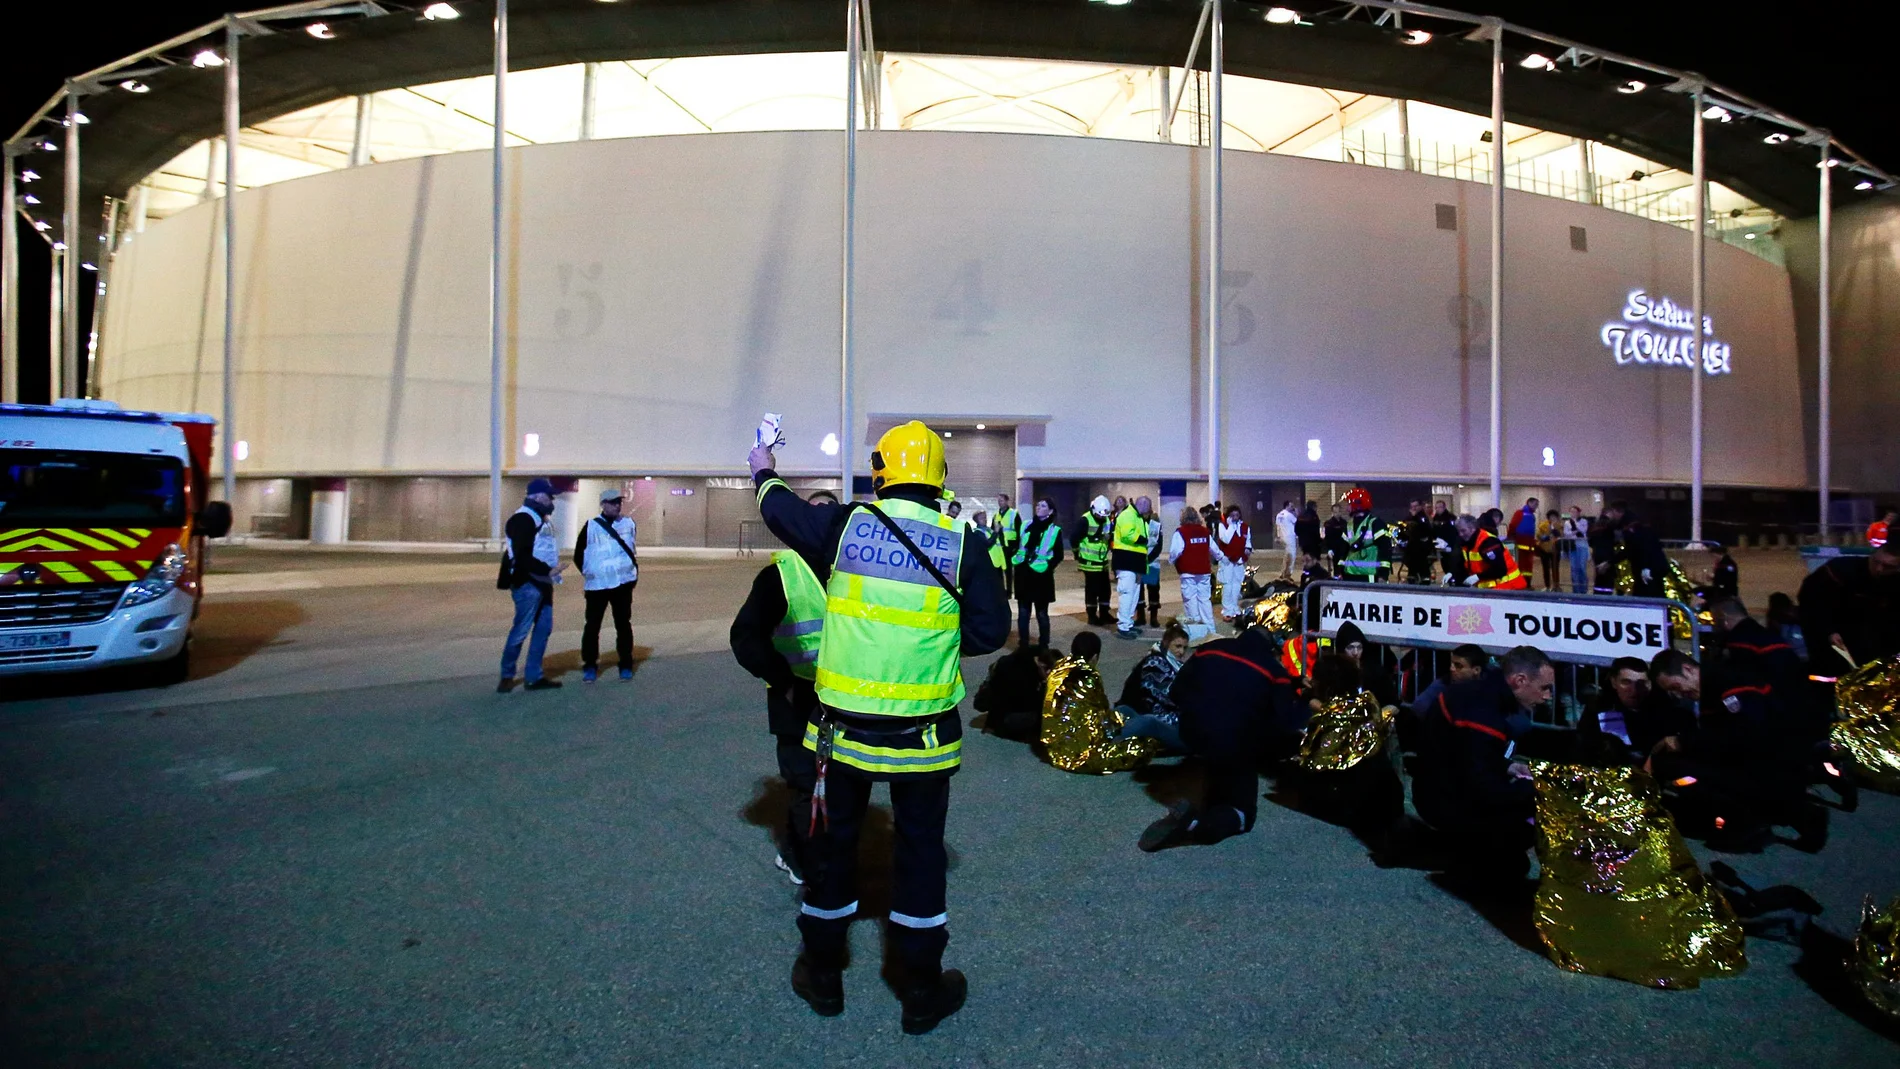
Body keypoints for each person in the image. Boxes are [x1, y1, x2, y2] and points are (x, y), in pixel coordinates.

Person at [749, 419, 1008, 1034]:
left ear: (881, 472)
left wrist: (762, 466)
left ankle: (823, 974)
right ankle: (920, 989)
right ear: (939, 476)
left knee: (832, 849)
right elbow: (990, 632)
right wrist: (928, 647)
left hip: (840, 732)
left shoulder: (847, 526)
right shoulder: (966, 543)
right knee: (920, 856)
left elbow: (781, 513)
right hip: (924, 735)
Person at [1136, 624, 1307, 850]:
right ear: (1269, 648)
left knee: (1219, 764)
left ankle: (1205, 804)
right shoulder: (1274, 672)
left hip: (1193, 731)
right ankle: (1196, 825)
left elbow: (1176, 691)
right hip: (1235, 740)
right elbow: (1286, 722)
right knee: (1244, 813)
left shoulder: (1210, 649)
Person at [1411, 645, 1554, 886]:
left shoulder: (1482, 694)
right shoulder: (1483, 711)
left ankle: (1474, 854)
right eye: (1544, 688)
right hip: (1442, 797)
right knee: (1525, 827)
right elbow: (1482, 786)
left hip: (1438, 787)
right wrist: (1538, 790)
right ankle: (1472, 865)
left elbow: (1465, 753)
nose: (1547, 696)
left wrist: (1507, 766)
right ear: (1520, 680)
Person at [729, 547, 828, 885]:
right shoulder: (782, 576)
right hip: (798, 695)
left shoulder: (853, 563)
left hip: (847, 697)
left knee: (840, 782)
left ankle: (805, 847)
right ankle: (803, 861)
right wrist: (783, 680)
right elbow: (745, 636)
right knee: (805, 783)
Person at [497, 477, 568, 693]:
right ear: (536, 496)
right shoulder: (523, 519)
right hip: (527, 583)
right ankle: (507, 675)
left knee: (544, 629)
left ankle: (533, 676)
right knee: (521, 630)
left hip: (543, 582)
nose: (552, 500)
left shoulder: (540, 518)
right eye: (549, 496)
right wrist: (548, 570)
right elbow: (521, 555)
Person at [1797, 539, 1900, 686]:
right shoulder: (1840, 572)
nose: (1879, 569)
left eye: (1888, 567)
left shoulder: (1894, 583)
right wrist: (1829, 630)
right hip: (1832, 641)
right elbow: (1812, 602)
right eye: (1876, 562)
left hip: (1872, 645)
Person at [1572, 656, 1690, 767]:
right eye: (1626, 682)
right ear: (1614, 682)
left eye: (1641, 683)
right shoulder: (1600, 709)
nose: (1634, 690)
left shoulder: (1670, 712)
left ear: (1650, 684)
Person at [574, 487, 639, 683]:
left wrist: (630, 577)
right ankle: (590, 665)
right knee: (592, 626)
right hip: (598, 587)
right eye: (612, 502)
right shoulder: (591, 526)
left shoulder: (628, 524)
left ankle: (626, 663)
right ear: (603, 505)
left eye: (619, 502)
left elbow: (631, 549)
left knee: (623, 625)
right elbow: (579, 555)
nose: (617, 505)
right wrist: (592, 573)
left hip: (622, 584)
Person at [1114, 623, 1190, 752]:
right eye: (1177, 646)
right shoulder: (1155, 662)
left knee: (1150, 722)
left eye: (1184, 647)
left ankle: (1107, 744)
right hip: (1167, 717)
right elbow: (1166, 695)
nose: (1181, 652)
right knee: (1123, 710)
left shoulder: (1173, 664)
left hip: (1179, 726)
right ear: (1166, 643)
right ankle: (1098, 735)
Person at [973, 644, 1057, 743]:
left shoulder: (1028, 657)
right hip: (1005, 717)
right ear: (1043, 667)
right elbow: (1033, 704)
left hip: (1001, 708)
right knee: (1044, 715)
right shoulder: (1023, 677)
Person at [1013, 497, 1064, 648]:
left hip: (1041, 576)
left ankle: (1044, 644)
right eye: (1038, 505)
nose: (1038, 507)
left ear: (1050, 511)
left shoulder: (1054, 530)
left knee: (1042, 613)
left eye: (1043, 506)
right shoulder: (1026, 525)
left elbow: (1058, 555)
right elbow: (1018, 545)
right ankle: (1023, 643)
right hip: (1023, 573)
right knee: (1023, 612)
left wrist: (1048, 567)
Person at [1169, 505, 1215, 637]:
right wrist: (1221, 558)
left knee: (1191, 602)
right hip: (1204, 571)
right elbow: (1214, 549)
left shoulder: (1181, 532)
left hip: (1188, 572)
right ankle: (1210, 630)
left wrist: (1171, 561)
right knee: (1205, 601)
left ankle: (1196, 634)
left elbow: (1175, 551)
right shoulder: (1204, 531)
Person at [1111, 496, 1152, 640]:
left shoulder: (1137, 517)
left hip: (1135, 562)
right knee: (1127, 593)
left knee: (1133, 594)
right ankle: (1123, 625)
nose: (1148, 512)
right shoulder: (1128, 515)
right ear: (1143, 506)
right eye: (1148, 509)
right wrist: (1146, 539)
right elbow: (1129, 535)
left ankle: (1127, 623)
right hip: (1126, 561)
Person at [1451, 513, 1527, 589]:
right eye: (1458, 531)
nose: (1460, 534)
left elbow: (1500, 569)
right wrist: (1452, 573)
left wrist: (1477, 577)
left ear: (1473, 528)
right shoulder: (1467, 543)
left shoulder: (1488, 542)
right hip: (1492, 588)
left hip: (1509, 586)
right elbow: (1465, 564)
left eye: (1463, 531)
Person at [1332, 488, 1392, 583]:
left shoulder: (1376, 524)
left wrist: (1383, 575)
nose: (1347, 508)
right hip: (1349, 575)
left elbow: (1386, 549)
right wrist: (1339, 571)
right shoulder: (1349, 525)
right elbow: (1342, 551)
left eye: (1349, 504)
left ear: (1357, 504)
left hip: (1370, 577)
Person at [1073, 496, 1114, 626]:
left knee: (1105, 589)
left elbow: (1110, 534)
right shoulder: (1085, 520)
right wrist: (1077, 554)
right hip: (1089, 562)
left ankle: (1104, 613)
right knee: (1092, 590)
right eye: (1099, 515)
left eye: (1104, 515)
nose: (1102, 518)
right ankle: (1092, 616)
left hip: (1102, 561)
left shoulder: (1106, 520)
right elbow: (1074, 538)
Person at [1214, 504, 1253, 622]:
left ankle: (1235, 607)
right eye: (1232, 515)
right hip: (1227, 560)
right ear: (1228, 516)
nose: (1235, 517)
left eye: (1237, 515)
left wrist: (1248, 549)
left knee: (1237, 584)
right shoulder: (1223, 526)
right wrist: (1231, 526)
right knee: (1227, 584)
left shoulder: (1245, 527)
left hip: (1240, 560)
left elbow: (1248, 541)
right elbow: (1225, 539)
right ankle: (1227, 610)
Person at [994, 493, 1022, 600]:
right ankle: (1002, 590)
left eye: (1001, 500)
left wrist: (1017, 547)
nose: (999, 503)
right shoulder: (996, 515)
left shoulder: (1013, 514)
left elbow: (1019, 531)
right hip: (999, 546)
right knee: (1000, 570)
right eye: (998, 501)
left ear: (1007, 501)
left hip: (1010, 546)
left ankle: (1009, 591)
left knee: (1009, 571)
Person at [1401, 499, 1436, 585]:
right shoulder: (1408, 518)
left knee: (1418, 556)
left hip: (1423, 546)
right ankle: (1413, 575)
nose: (1414, 508)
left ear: (1420, 506)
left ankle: (1423, 577)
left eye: (1415, 506)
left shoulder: (1423, 518)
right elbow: (1404, 529)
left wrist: (1414, 517)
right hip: (1411, 546)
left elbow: (1425, 531)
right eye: (1412, 507)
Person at [1143, 504, 1165, 628]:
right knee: (1138, 591)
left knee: (1153, 591)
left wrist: (1149, 558)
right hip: (1140, 561)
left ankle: (1153, 617)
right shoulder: (1137, 522)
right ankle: (1140, 616)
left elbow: (1159, 544)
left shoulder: (1156, 524)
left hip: (1152, 562)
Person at [1508, 497, 1541, 581]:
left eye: (1537, 504)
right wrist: (1510, 538)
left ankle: (1527, 581)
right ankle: (1519, 581)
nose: (1536, 506)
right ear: (1529, 502)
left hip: (1529, 543)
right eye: (1535, 504)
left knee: (1528, 564)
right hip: (1520, 542)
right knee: (1520, 563)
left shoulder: (1532, 515)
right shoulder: (1519, 513)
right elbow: (1512, 525)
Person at [1562, 506, 1591, 594]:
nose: (1573, 514)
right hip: (1573, 545)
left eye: (1575, 512)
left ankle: (1584, 588)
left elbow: (1583, 531)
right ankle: (1576, 589)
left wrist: (1575, 524)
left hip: (1582, 545)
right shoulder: (1567, 522)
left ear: (1578, 512)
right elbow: (1566, 534)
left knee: (1582, 567)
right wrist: (1573, 532)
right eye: (1571, 512)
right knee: (1574, 568)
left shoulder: (1584, 521)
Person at [1431, 502, 1461, 580]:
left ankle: (1453, 578)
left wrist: (1450, 544)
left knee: (1451, 561)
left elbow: (1454, 532)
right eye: (1436, 507)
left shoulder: (1450, 518)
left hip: (1451, 544)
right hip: (1440, 544)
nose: (1438, 509)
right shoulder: (1435, 518)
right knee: (1444, 562)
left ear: (1444, 507)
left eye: (1440, 507)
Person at [1535, 509, 1560, 591]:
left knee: (1555, 568)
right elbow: (1539, 535)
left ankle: (1556, 585)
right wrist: (1546, 537)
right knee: (1545, 568)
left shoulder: (1559, 525)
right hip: (1544, 549)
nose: (1553, 518)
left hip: (1555, 550)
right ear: (1548, 517)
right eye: (1551, 516)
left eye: (1554, 517)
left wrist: (1554, 529)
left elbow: (1560, 534)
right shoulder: (1543, 525)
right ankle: (1547, 586)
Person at [1275, 500, 1300, 579]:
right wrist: (1297, 513)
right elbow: (1298, 521)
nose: (1292, 508)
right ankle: (1288, 574)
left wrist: (1279, 536)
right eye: (1291, 506)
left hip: (1283, 537)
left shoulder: (1279, 515)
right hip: (1290, 538)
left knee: (1286, 556)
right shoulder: (1289, 515)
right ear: (1286, 506)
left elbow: (1278, 526)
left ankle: (1283, 572)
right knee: (1291, 556)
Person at [1322, 501, 1349, 573]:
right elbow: (1327, 538)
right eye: (1336, 512)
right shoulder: (1328, 523)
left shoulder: (1344, 522)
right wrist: (1328, 549)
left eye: (1339, 511)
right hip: (1334, 549)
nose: (1338, 514)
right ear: (1333, 512)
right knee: (1336, 568)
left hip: (1344, 549)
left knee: (1344, 568)